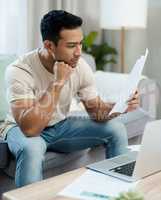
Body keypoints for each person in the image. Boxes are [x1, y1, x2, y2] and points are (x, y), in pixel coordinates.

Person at [1, 10, 139, 187]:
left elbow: (96, 111)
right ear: (49, 46)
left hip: (60, 125)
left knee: (115, 128)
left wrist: (121, 105)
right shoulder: (19, 70)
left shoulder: (79, 66)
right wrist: (58, 83)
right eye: (72, 45)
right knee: (31, 148)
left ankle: (123, 191)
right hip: (20, 128)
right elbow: (30, 129)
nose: (79, 52)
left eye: (80, 44)